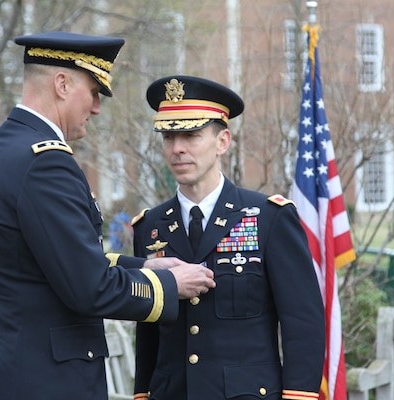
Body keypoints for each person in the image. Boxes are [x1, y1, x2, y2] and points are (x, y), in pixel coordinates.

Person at [0, 34, 215, 400]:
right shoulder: (46, 162)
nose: (97, 107)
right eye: (94, 91)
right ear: (62, 84)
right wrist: (171, 287)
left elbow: (48, 260)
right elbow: (90, 288)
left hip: (5, 373)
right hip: (49, 382)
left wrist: (146, 267)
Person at [132, 75, 326, 400]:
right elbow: (149, 332)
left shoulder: (269, 218)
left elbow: (302, 323)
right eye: (168, 136)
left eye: (191, 135)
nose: (177, 148)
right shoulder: (150, 228)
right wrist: (142, 394)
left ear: (223, 141)